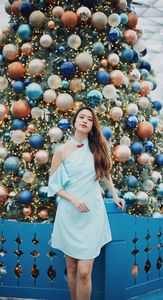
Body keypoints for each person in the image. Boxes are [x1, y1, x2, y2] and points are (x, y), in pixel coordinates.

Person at [48, 106, 125, 300]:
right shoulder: (61, 151)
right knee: (72, 268)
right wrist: (72, 198)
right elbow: (54, 185)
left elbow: (105, 173)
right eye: (81, 117)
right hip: (69, 214)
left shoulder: (97, 148)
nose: (84, 120)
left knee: (84, 271)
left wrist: (114, 196)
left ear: (92, 126)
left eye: (89, 119)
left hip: (92, 214)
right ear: (74, 121)